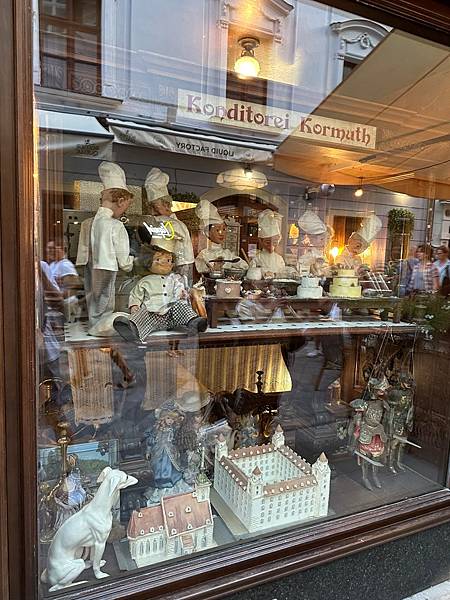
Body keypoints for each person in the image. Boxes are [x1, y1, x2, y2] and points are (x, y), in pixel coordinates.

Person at [76, 161, 135, 330]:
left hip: (89, 267)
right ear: (121, 201)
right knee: (106, 301)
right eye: (126, 207)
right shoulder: (116, 225)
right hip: (108, 268)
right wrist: (133, 262)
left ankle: (94, 325)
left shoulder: (87, 223)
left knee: (93, 298)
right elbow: (124, 261)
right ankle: (101, 329)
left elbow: (82, 254)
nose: (124, 211)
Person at [143, 167, 194, 282]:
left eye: (155, 207)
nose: (152, 212)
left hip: (178, 269)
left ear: (166, 205)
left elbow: (158, 249)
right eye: (151, 208)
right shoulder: (165, 222)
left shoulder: (173, 225)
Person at [194, 198, 248, 274]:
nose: (221, 233)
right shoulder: (204, 255)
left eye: (224, 229)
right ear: (208, 233)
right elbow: (201, 271)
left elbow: (243, 265)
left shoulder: (227, 253)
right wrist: (213, 268)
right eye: (217, 230)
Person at [249, 209, 295, 278]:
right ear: (261, 241)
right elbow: (251, 274)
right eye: (267, 242)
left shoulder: (279, 259)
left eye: (274, 242)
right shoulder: (257, 258)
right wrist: (264, 273)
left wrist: (291, 271)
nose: (271, 246)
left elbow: (283, 271)